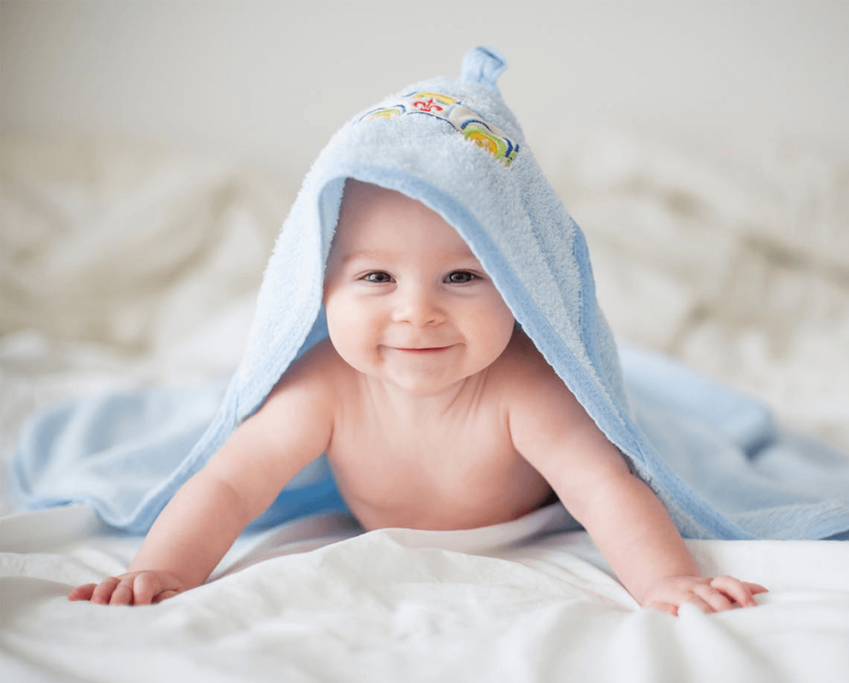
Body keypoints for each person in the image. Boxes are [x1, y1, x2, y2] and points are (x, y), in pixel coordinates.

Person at [68, 178, 767, 615]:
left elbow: (603, 488)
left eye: (462, 276)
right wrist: (164, 568)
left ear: (520, 289)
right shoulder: (325, 384)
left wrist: (664, 581)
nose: (417, 312)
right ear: (318, 288)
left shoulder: (525, 384)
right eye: (376, 277)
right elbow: (230, 481)